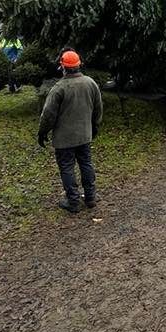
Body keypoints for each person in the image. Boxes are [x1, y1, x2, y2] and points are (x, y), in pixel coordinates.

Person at [38, 50, 103, 214]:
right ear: (79, 64)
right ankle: (90, 197)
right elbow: (98, 108)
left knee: (67, 167)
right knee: (86, 164)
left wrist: (42, 132)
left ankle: (73, 201)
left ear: (62, 66)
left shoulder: (59, 88)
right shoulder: (90, 83)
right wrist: (95, 126)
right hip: (85, 135)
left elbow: (48, 114)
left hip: (64, 139)